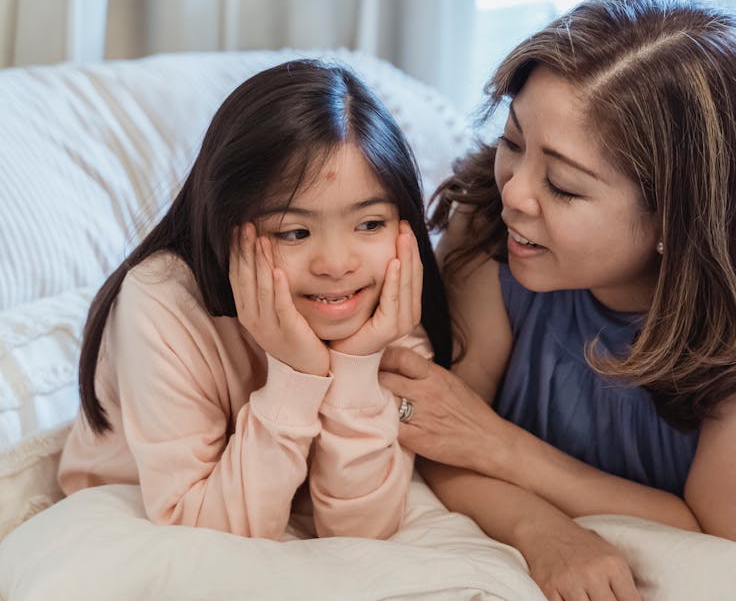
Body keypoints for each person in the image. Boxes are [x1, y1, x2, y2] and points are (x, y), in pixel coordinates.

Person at [378, 0, 736, 601]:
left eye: (562, 185)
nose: (514, 193)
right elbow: (440, 431)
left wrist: (498, 444)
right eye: (512, 142)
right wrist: (541, 529)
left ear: (677, 216)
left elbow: (728, 534)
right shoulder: (491, 213)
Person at [58, 59, 452, 541]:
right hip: (137, 521)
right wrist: (297, 378)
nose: (335, 263)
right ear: (228, 227)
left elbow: (362, 535)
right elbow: (203, 534)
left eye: (370, 224)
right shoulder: (161, 303)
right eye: (294, 231)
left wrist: (357, 367)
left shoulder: (384, 305)